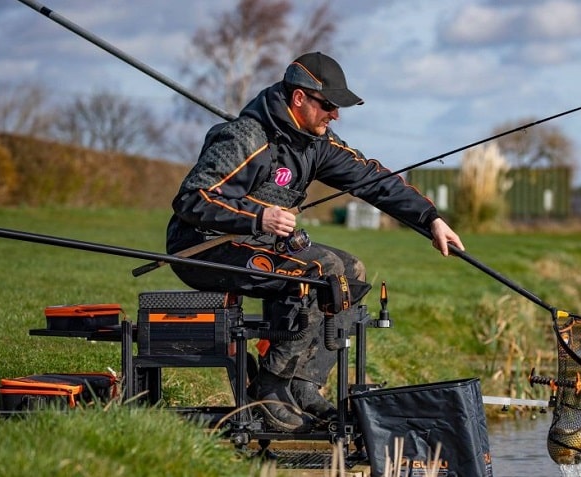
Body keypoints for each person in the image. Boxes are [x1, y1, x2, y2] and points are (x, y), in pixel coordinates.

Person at [166, 52, 464, 432]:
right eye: (329, 105)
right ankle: (269, 387)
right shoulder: (245, 137)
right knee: (322, 269)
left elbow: (372, 179)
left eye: (338, 108)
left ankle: (304, 383)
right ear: (299, 98)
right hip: (202, 247)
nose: (335, 115)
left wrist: (430, 219)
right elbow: (192, 199)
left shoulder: (315, 142)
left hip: (257, 244)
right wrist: (257, 216)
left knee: (351, 272)